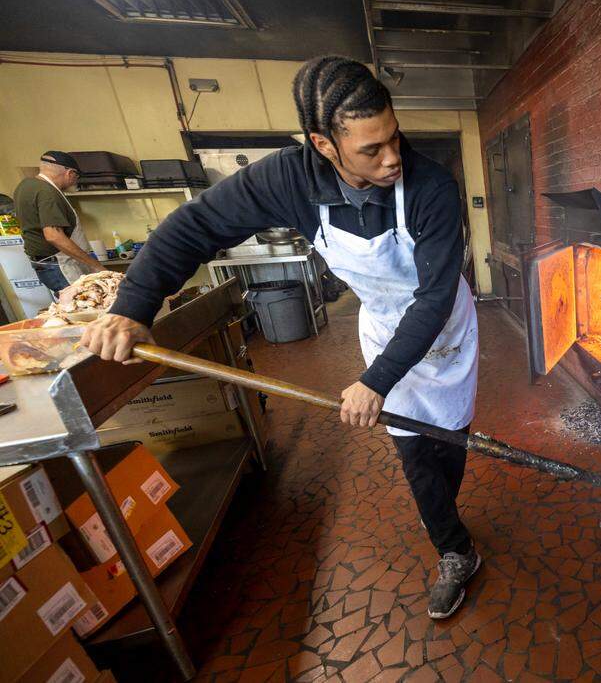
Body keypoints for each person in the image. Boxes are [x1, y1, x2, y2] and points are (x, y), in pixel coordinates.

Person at [80, 56, 481, 619]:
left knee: (453, 437)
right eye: (371, 149)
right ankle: (454, 548)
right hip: (384, 322)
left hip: (444, 325)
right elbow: (194, 226)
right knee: (414, 443)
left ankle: (444, 499)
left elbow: (435, 298)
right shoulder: (287, 178)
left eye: (395, 137)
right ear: (323, 143)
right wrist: (133, 306)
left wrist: (375, 380)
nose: (393, 157)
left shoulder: (430, 186)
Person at [13, 151, 106, 293]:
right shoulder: (47, 192)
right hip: (59, 264)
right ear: (70, 173)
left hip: (45, 263)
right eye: (76, 177)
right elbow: (53, 236)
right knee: (82, 304)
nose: (75, 182)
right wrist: (95, 265)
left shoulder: (26, 185)